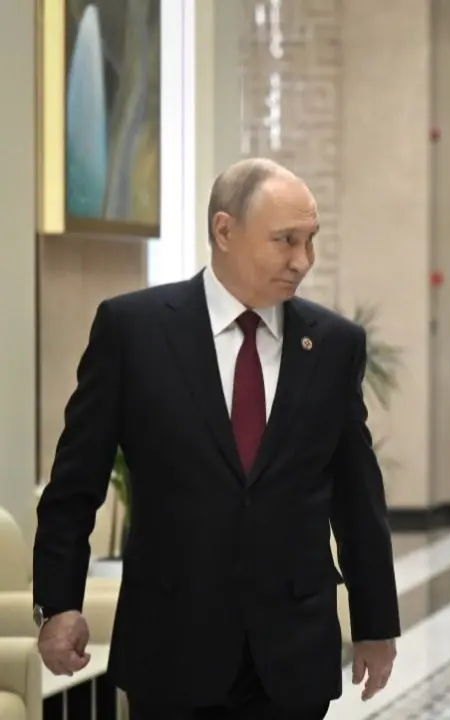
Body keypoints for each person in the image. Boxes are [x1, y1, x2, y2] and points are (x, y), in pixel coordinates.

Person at [33, 158, 401, 719]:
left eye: (310, 240)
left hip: (293, 654)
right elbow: (75, 484)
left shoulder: (333, 345)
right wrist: (59, 603)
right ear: (224, 230)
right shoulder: (134, 331)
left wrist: (375, 623)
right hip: (171, 645)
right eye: (285, 240)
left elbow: (357, 497)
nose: (302, 260)